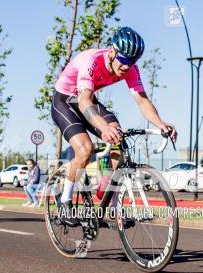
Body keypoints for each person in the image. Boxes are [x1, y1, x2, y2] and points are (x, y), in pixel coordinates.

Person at [50, 26, 177, 226]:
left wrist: (161, 124)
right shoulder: (90, 61)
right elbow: (83, 102)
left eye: (132, 62)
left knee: (119, 137)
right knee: (85, 149)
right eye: (124, 60)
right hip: (65, 101)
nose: (127, 66)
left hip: (88, 100)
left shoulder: (130, 69)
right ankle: (64, 201)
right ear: (112, 52)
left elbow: (142, 101)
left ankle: (108, 192)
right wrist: (103, 127)